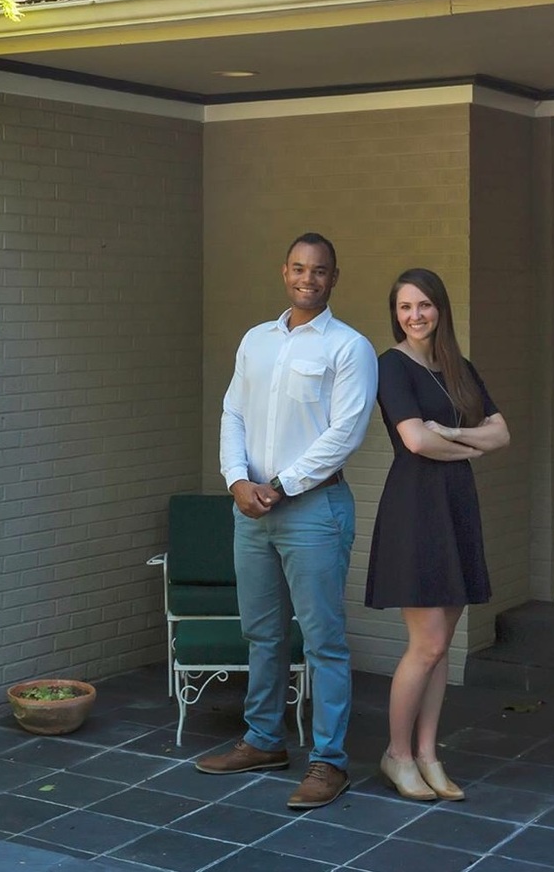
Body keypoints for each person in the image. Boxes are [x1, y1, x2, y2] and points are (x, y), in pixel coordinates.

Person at [196, 232, 378, 810]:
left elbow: (344, 433)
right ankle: (263, 740)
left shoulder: (350, 348)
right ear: (284, 272)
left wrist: (279, 486)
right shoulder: (256, 341)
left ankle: (328, 762)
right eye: (299, 268)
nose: (308, 279)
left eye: (319, 271)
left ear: (334, 277)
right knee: (262, 633)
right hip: (251, 510)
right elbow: (233, 411)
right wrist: (234, 480)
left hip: (314, 511)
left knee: (322, 641)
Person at [365, 268, 509, 802]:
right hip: (416, 509)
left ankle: (428, 754)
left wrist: (451, 432)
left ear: (440, 309)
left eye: (423, 305)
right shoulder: (391, 366)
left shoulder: (457, 368)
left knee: (443, 646)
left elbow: (502, 431)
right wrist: (467, 446)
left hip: (455, 507)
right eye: (404, 307)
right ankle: (396, 755)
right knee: (424, 645)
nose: (415, 316)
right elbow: (416, 443)